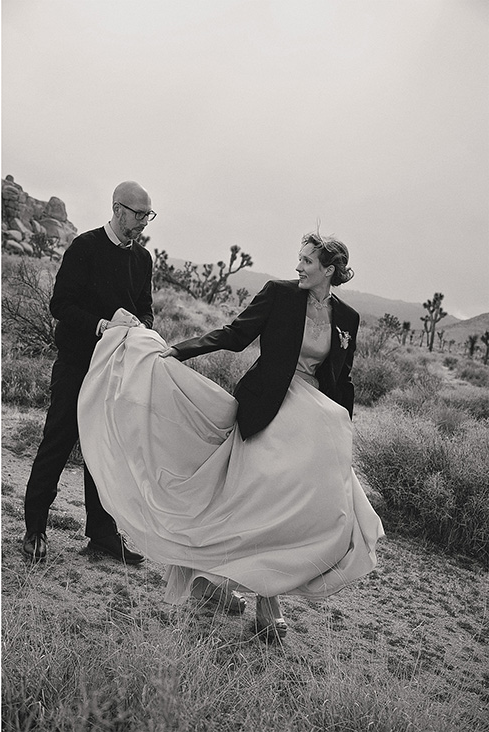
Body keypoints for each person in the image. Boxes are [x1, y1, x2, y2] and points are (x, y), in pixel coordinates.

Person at [79, 232, 384, 639]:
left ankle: (222, 583)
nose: (298, 267)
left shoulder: (347, 318)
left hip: (317, 420)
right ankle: (264, 602)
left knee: (314, 507)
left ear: (328, 270)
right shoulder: (279, 294)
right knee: (259, 504)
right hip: (271, 406)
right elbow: (236, 334)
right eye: (299, 259)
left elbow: (341, 379)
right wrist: (182, 350)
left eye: (307, 262)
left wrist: (344, 423)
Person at [22, 181, 155, 563]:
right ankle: (35, 528)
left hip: (115, 370)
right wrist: (101, 326)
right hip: (78, 363)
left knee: (105, 451)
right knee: (57, 444)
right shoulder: (84, 247)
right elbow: (60, 304)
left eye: (148, 215)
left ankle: (102, 534)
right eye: (138, 215)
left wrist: (140, 327)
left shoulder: (143, 260)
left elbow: (145, 307)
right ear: (118, 209)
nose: (143, 223)